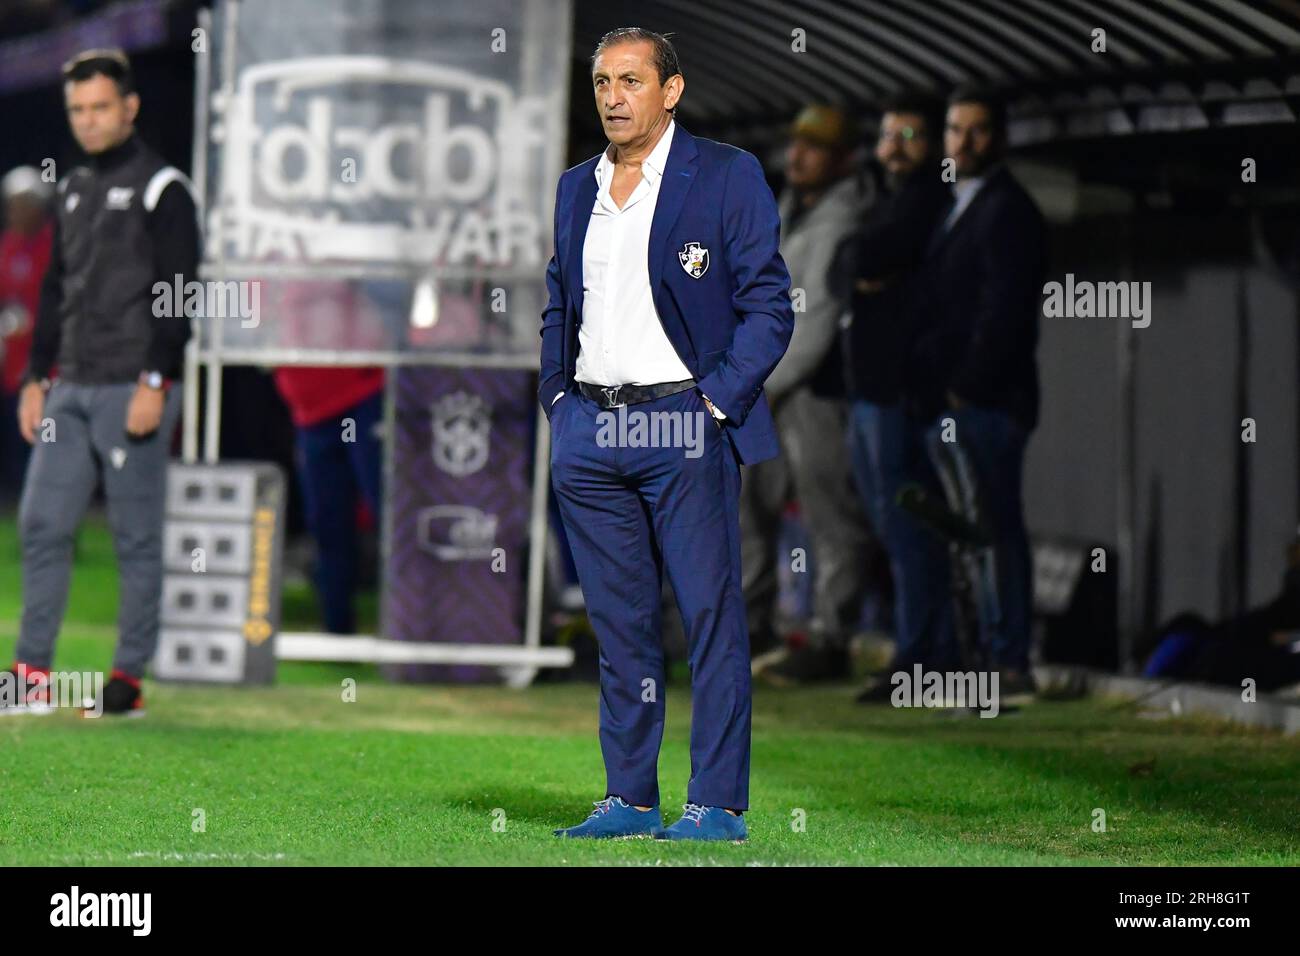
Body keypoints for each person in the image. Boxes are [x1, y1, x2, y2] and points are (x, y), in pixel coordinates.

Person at [543, 28, 792, 841]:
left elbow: (769, 306)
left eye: (632, 81)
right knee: (619, 626)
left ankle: (716, 803)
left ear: (671, 90)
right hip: (589, 427)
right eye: (603, 82)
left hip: (682, 423)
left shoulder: (725, 174)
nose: (614, 97)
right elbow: (559, 303)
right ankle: (630, 798)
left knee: (711, 616)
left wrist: (713, 404)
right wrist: (557, 401)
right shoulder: (576, 187)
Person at [3, 49, 199, 716]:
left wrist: (157, 378)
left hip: (131, 386)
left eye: (100, 108)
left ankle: (128, 680)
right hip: (71, 385)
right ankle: (30, 676)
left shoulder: (164, 187)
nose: (88, 121)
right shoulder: (76, 187)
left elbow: (180, 292)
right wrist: (35, 377)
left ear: (130, 107)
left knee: (136, 535)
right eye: (77, 110)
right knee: (41, 523)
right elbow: (57, 289)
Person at [910, 88, 1046, 695]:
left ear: (1001, 137)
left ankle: (1008, 659)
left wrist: (967, 388)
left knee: (993, 529)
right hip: (958, 401)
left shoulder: (1008, 209)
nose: (963, 142)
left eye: (978, 130)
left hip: (987, 403)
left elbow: (1005, 310)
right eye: (955, 129)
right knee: (974, 533)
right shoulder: (961, 204)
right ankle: (991, 655)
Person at [828, 97, 961, 702]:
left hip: (895, 392)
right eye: (889, 134)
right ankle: (923, 652)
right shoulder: (882, 198)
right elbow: (840, 269)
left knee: (910, 525)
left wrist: (865, 263)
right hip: (869, 390)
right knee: (892, 523)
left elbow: (875, 254)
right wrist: (859, 266)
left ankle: (924, 660)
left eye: (911, 133)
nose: (897, 145)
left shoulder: (929, 197)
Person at [741, 105, 876, 685]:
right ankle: (750, 630)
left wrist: (764, 386)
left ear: (844, 160)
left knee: (830, 517)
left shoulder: (844, 219)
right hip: (766, 387)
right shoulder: (790, 211)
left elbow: (815, 321)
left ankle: (830, 638)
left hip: (812, 390)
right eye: (795, 145)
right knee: (746, 505)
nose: (798, 157)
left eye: (815, 148)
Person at [0, 167, 54, 501]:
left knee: (47, 447)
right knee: (18, 442)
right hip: (12, 369)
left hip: (49, 369)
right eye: (11, 204)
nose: (16, 212)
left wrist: (30, 321)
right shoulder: (7, 246)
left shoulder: (54, 245)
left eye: (23, 204)